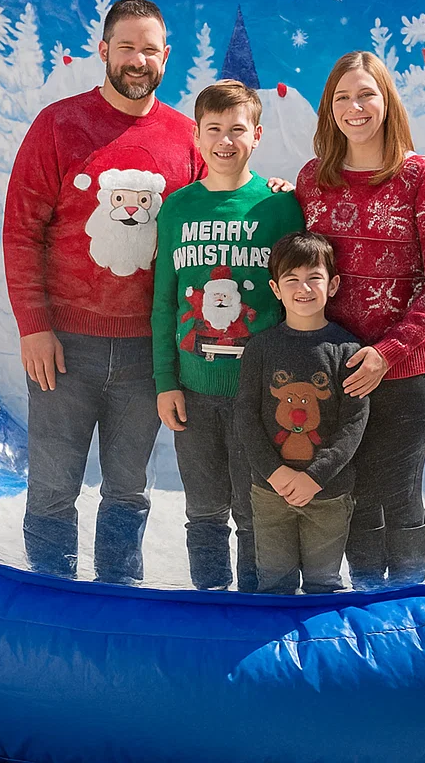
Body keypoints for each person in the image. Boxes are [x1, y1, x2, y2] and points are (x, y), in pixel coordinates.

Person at [3, 0, 202, 583]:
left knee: (127, 490)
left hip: (146, 351)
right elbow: (21, 231)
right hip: (65, 347)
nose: (137, 60)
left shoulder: (185, 137)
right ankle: (49, 598)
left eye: (149, 49)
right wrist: (34, 327)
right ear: (103, 51)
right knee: (52, 488)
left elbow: (212, 209)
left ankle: (119, 600)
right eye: (126, 47)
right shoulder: (60, 125)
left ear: (165, 56)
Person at [296, 51, 425, 589]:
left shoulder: (421, 176)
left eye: (365, 94)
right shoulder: (312, 180)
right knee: (354, 492)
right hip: (339, 370)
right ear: (328, 110)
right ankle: (367, 609)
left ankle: (406, 608)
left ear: (386, 101)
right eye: (341, 97)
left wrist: (387, 353)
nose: (354, 106)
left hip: (407, 371)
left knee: (399, 488)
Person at [152, 81, 304, 592]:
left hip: (257, 394)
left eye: (237, 130)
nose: (225, 141)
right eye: (213, 129)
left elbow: (297, 298)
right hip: (193, 392)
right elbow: (164, 302)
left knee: (254, 508)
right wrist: (165, 381)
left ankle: (250, 607)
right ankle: (209, 601)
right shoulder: (176, 209)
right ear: (196, 136)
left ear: (257, 135)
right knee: (204, 510)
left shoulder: (281, 208)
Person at [235, 231, 369, 594]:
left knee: (324, 583)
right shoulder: (260, 349)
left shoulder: (348, 349)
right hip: (270, 492)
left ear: (333, 284)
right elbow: (246, 416)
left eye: (314, 278)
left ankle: (322, 649)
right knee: (273, 583)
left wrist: (316, 476)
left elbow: (353, 423)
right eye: (292, 279)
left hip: (328, 493)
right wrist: (275, 474)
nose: (304, 288)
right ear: (276, 289)